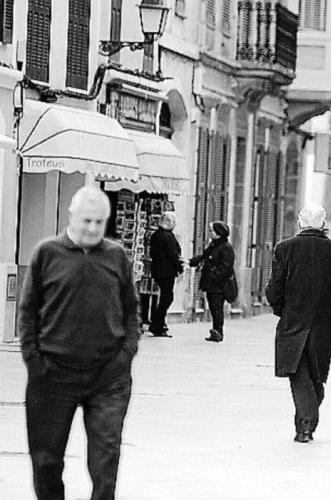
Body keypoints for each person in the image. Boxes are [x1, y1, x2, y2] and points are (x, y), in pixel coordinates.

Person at [18, 186, 140, 500]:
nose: (92, 229)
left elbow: (131, 309)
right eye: (87, 221)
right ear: (71, 217)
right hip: (53, 375)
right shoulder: (47, 253)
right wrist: (34, 358)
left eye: (99, 222)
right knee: (46, 459)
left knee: (106, 460)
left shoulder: (116, 256)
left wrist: (125, 354)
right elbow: (28, 309)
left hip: (107, 377)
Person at [265, 203, 331, 443]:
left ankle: (306, 424)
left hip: (293, 320)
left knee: (299, 373)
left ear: (300, 223)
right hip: (325, 323)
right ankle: (306, 424)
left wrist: (281, 309)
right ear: (323, 224)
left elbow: (273, 289)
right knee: (315, 376)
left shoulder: (285, 248)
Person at [189, 221, 235, 343]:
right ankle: (215, 330)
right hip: (210, 283)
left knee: (217, 307)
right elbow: (204, 257)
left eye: (212, 230)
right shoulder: (214, 245)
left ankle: (218, 331)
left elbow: (225, 267)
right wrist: (191, 262)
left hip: (219, 285)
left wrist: (213, 275)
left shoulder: (226, 247)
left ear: (218, 233)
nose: (210, 232)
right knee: (213, 307)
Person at [148, 212, 183, 337]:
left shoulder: (156, 235)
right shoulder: (167, 237)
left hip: (158, 270)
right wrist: (180, 267)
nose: (175, 225)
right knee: (167, 297)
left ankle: (159, 323)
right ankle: (157, 324)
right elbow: (173, 255)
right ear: (168, 222)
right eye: (174, 222)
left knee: (165, 297)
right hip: (166, 271)